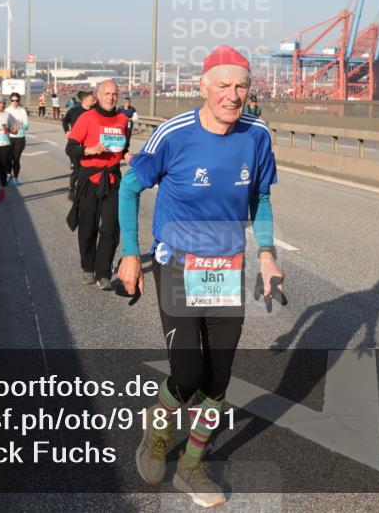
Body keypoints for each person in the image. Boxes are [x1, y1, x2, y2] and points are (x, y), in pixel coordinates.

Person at [117, 45, 282, 507]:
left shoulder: (256, 134)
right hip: (177, 263)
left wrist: (266, 255)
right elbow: (129, 189)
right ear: (204, 86)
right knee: (187, 373)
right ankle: (158, 435)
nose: (233, 96)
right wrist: (131, 255)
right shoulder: (174, 134)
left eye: (242, 87)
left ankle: (190, 467)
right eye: (224, 86)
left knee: (218, 380)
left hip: (226, 267)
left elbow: (261, 200)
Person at [65, 80, 129, 288]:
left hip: (112, 178)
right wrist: (88, 150)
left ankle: (103, 272)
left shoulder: (122, 119)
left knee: (111, 227)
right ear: (98, 96)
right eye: (107, 93)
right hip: (90, 178)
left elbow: (124, 147)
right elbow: (71, 147)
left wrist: (129, 156)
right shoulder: (87, 118)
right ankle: (87, 267)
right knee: (88, 226)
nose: (111, 97)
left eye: (114, 94)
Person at [62, 91, 97, 200]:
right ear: (86, 100)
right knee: (77, 170)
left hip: (89, 146)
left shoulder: (95, 111)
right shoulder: (74, 111)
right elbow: (65, 120)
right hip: (76, 146)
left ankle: (85, 190)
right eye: (92, 99)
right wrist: (67, 131)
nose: (94, 101)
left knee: (87, 169)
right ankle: (72, 189)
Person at [6, 92, 30, 186]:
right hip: (8, 138)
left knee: (16, 159)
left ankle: (15, 178)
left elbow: (26, 126)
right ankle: (8, 175)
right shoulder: (7, 110)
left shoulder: (22, 111)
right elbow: (3, 124)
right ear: (10, 100)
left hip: (19, 138)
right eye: (13, 100)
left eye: (16, 100)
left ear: (19, 101)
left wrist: (20, 124)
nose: (14, 102)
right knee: (8, 159)